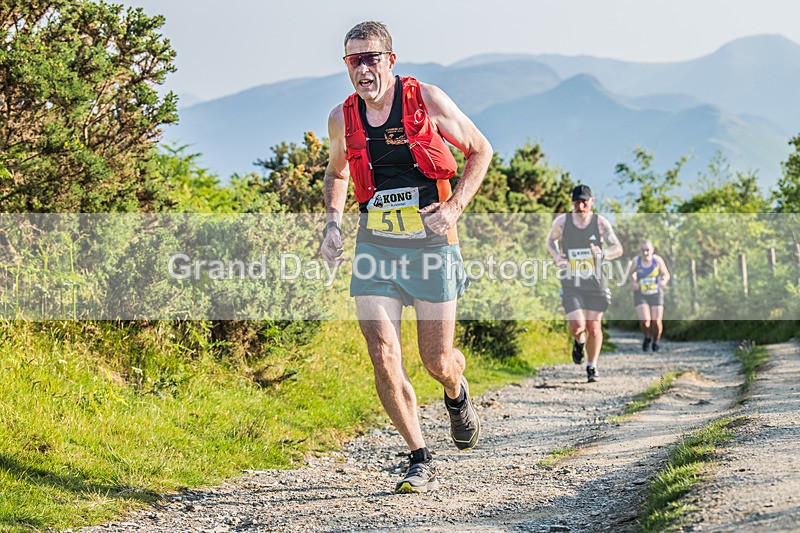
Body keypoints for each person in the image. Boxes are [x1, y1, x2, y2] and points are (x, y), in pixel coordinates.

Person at [320, 21, 492, 494]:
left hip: (434, 244)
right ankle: (419, 454)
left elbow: (481, 149)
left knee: (436, 359)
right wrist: (333, 224)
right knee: (382, 353)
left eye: (371, 57)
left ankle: (456, 394)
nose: (363, 68)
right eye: (354, 60)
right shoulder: (342, 117)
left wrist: (455, 206)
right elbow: (337, 174)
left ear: (390, 61)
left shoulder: (427, 100)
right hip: (376, 245)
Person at [546, 184, 623, 383]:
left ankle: (592, 366)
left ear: (591, 202)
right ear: (572, 202)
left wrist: (603, 254)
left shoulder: (600, 223)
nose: (580, 205)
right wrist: (557, 257)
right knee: (577, 324)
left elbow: (618, 248)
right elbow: (550, 241)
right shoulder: (563, 221)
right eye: (577, 201)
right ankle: (579, 341)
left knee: (594, 326)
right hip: (572, 280)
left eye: (584, 202)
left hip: (596, 282)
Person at [631, 239, 671, 352]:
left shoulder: (657, 260)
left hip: (655, 293)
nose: (645, 253)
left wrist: (663, 281)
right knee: (645, 320)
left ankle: (656, 341)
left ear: (652, 250)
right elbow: (631, 274)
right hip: (641, 293)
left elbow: (666, 274)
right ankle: (647, 337)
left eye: (647, 250)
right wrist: (634, 282)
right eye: (643, 250)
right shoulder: (636, 261)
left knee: (656, 321)